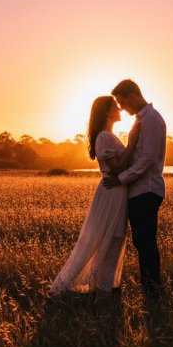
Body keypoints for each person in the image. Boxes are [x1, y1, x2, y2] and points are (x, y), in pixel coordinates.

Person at [50, 96, 139, 294]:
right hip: (111, 192)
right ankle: (100, 288)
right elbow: (116, 166)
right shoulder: (104, 136)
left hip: (116, 191)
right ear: (107, 112)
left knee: (113, 237)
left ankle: (105, 287)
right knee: (109, 237)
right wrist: (132, 143)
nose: (120, 109)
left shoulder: (107, 135)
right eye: (115, 106)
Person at [102, 79, 166, 301]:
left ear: (132, 96)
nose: (122, 109)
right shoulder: (142, 119)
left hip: (146, 190)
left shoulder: (152, 120)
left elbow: (147, 159)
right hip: (138, 191)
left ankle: (152, 291)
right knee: (142, 242)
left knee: (146, 242)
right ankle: (150, 289)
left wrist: (121, 178)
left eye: (122, 103)